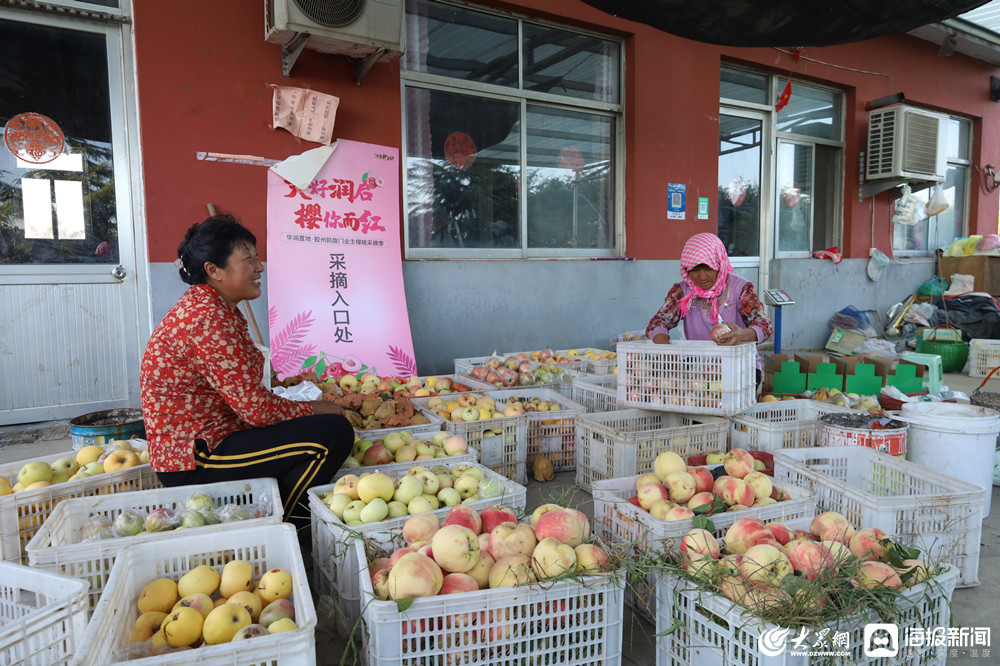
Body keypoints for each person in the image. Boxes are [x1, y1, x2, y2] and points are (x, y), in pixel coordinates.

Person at [139, 214, 353, 545]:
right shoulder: (207, 319)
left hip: (215, 437)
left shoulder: (213, 306)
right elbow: (257, 410)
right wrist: (316, 407)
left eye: (257, 256)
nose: (259, 267)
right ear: (214, 270)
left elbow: (243, 393)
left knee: (310, 429)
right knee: (332, 434)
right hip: (197, 457)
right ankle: (289, 532)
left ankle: (273, 519)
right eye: (248, 259)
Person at [646, 232, 773, 384]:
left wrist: (741, 335)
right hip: (699, 369)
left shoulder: (741, 289)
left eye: (708, 268)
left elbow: (764, 326)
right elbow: (658, 322)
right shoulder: (683, 292)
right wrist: (666, 349)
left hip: (740, 367)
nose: (702, 277)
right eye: (695, 270)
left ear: (719, 264)